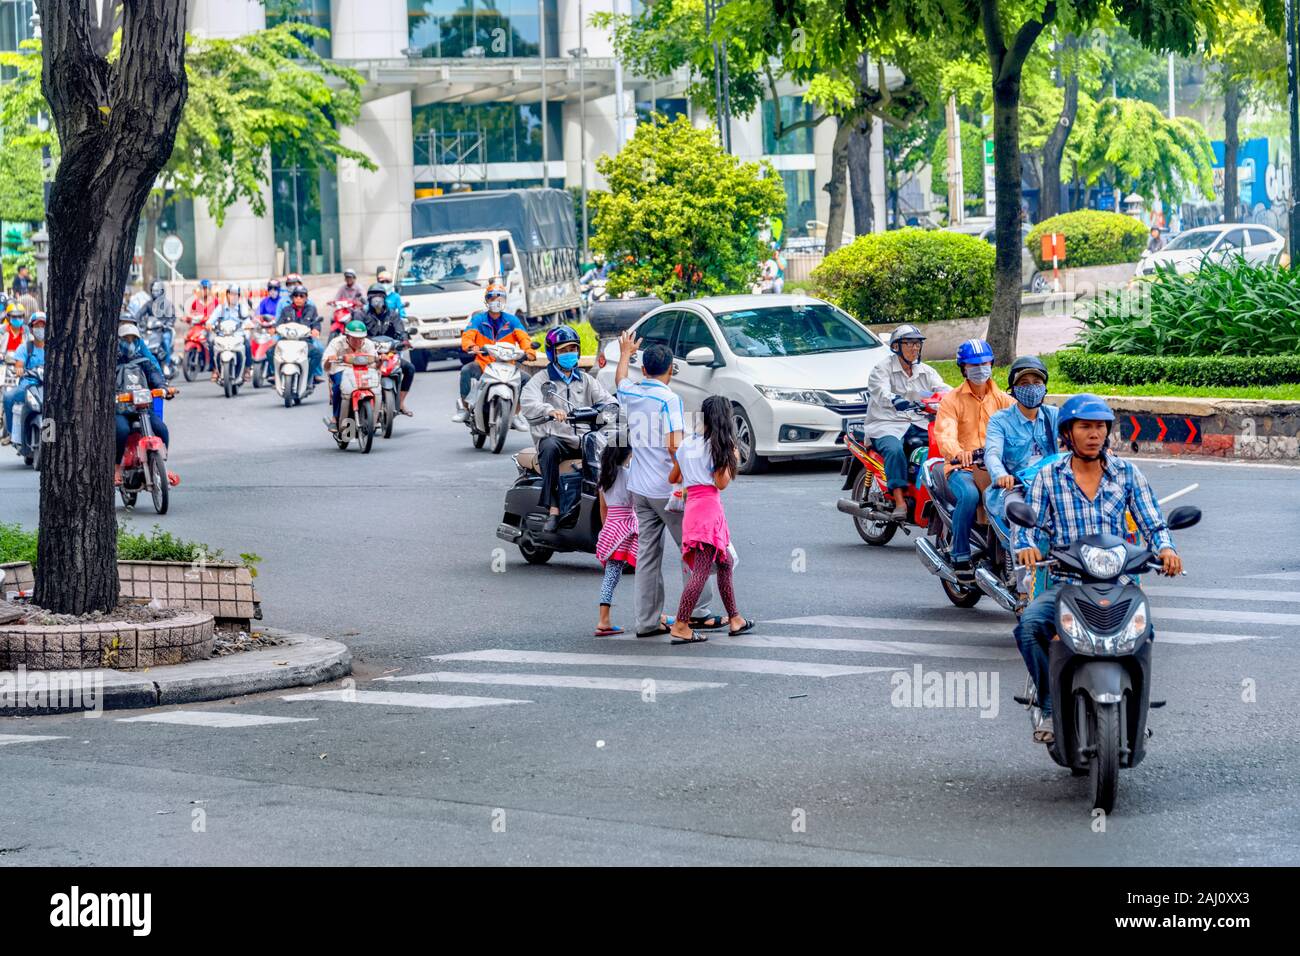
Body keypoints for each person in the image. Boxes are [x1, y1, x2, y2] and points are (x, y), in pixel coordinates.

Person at [1012, 394, 1183, 744]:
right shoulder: (1050, 476)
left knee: (1144, 633)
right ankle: (1047, 704)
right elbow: (1027, 522)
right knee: (1029, 627)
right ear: (1068, 434)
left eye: (1100, 427)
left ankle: (1136, 709)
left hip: (1118, 582)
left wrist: (1166, 549)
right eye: (1085, 427)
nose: (1094, 434)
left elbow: (1153, 521)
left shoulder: (1127, 472)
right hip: (1066, 583)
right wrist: (1026, 546)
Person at [614, 331, 722, 637]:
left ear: (644, 369)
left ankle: (647, 621)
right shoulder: (669, 399)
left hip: (640, 489)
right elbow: (675, 445)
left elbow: (619, 380)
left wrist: (624, 353)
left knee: (648, 556)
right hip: (666, 489)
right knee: (692, 549)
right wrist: (688, 475)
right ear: (670, 371)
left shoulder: (633, 393)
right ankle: (698, 611)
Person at [665, 395, 753, 645]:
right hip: (709, 510)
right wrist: (732, 457)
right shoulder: (719, 447)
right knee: (701, 572)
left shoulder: (686, 445)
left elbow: (674, 477)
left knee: (723, 563)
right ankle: (681, 625)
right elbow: (721, 483)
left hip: (693, 508)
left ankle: (735, 618)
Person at [934, 338, 1014, 585]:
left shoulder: (1003, 400)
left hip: (996, 468)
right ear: (963, 368)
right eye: (973, 364)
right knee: (969, 495)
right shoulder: (952, 400)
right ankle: (959, 555)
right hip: (963, 469)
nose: (981, 368)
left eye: (985, 363)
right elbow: (945, 434)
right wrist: (959, 452)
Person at [519, 326, 613, 532]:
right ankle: (553, 509)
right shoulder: (542, 380)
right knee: (549, 446)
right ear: (553, 353)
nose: (569, 353)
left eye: (572, 348)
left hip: (586, 439)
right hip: (558, 439)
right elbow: (527, 401)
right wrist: (549, 410)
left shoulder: (586, 379)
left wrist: (612, 408)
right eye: (563, 350)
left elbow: (607, 400)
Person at [863, 324, 950, 520]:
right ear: (896, 347)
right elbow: (880, 391)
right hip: (886, 423)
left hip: (918, 421)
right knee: (894, 450)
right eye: (909, 343)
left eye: (918, 344)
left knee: (944, 446)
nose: (915, 348)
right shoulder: (881, 369)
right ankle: (900, 500)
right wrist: (895, 400)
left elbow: (943, 389)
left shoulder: (926, 371)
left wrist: (958, 398)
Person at [984, 356, 1059, 536]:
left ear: (1044, 387)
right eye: (1024, 383)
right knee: (1020, 521)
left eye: (1036, 382)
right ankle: (1020, 561)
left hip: (1052, 485)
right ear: (1014, 390)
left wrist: (1101, 451)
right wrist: (1001, 475)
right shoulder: (1000, 420)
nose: (1031, 387)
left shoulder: (1055, 415)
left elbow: (1077, 437)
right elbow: (992, 453)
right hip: (1015, 489)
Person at [454, 283, 535, 427]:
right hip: (483, 363)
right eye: (492, 297)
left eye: (500, 297)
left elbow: (523, 338)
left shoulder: (512, 320)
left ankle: (516, 413)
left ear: (505, 300)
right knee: (466, 371)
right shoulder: (478, 319)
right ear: (487, 301)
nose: (496, 301)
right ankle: (465, 409)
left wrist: (528, 351)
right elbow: (468, 335)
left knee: (526, 380)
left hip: (507, 365)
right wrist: (471, 346)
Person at [114, 324, 172, 487]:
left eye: (133, 339)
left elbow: (155, 376)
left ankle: (161, 465)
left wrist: (164, 389)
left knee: (161, 429)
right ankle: (117, 467)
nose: (130, 343)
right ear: (119, 341)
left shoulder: (144, 361)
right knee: (122, 430)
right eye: (126, 339)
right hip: (121, 410)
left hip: (143, 408)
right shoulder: (112, 362)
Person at [594, 438, 638, 637]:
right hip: (628, 526)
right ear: (626, 455)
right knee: (646, 570)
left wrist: (607, 531)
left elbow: (603, 508)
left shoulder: (604, 477)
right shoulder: (629, 475)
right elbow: (637, 503)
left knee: (611, 576)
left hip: (611, 526)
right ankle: (654, 614)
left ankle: (604, 618)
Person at [355, 282, 414, 416]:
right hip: (369, 355)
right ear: (368, 298)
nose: (377, 298)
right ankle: (360, 403)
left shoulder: (392, 314)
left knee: (409, 368)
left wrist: (404, 340)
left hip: (390, 354)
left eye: (380, 295)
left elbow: (400, 330)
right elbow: (355, 334)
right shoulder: (361, 315)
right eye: (373, 295)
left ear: (384, 298)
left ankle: (400, 402)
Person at [322, 318, 377, 433]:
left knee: (376, 386)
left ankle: (376, 415)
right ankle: (335, 418)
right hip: (340, 370)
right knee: (338, 386)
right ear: (347, 336)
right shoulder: (336, 343)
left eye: (360, 339)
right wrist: (329, 359)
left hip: (362, 371)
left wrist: (380, 360)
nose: (358, 342)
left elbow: (374, 364)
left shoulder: (369, 344)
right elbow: (326, 367)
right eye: (354, 338)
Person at [1, 311, 44, 444]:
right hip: (28, 385)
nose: (40, 329)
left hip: (47, 386)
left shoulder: (54, 348)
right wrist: (19, 369)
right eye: (37, 326)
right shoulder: (26, 347)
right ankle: (11, 433)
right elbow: (19, 364)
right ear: (31, 328)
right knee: (8, 397)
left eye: (43, 326)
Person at [276, 284, 325, 383]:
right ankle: (277, 375)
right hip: (287, 340)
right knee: (270, 351)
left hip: (305, 340)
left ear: (306, 298)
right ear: (292, 297)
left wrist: (315, 330)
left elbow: (316, 323)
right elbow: (279, 323)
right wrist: (274, 329)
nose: (298, 298)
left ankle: (309, 375)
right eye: (296, 296)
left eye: (301, 296)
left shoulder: (311, 309)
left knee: (317, 353)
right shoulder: (286, 309)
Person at [136, 279, 178, 366]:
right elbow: (139, 313)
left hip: (164, 330)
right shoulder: (149, 304)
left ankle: (166, 364)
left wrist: (169, 323)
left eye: (157, 290)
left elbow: (173, 316)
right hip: (152, 332)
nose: (155, 292)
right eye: (153, 290)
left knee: (166, 341)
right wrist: (135, 321)